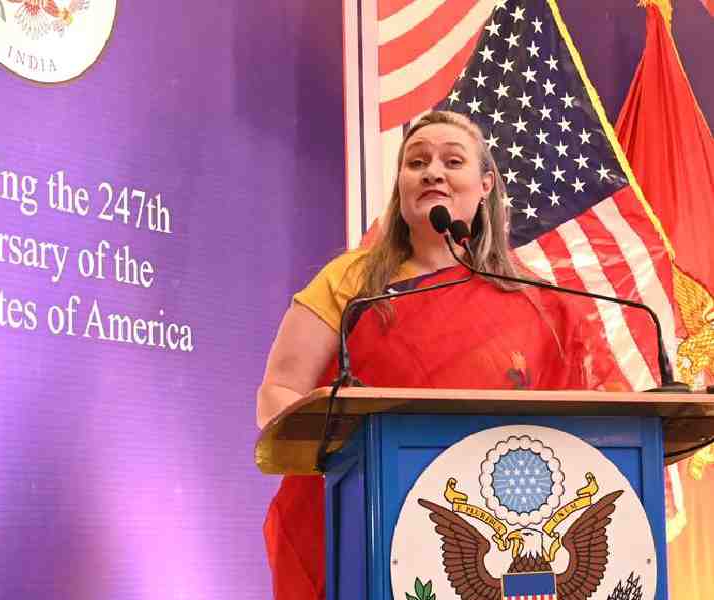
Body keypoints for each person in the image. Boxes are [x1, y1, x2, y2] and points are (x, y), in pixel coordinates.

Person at [256, 110, 632, 600]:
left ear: (485, 184)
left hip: (504, 537)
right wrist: (345, 440)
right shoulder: (351, 283)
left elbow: (594, 428)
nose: (432, 171)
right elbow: (277, 393)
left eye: (452, 161)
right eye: (416, 162)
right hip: (370, 520)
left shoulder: (540, 304)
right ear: (400, 187)